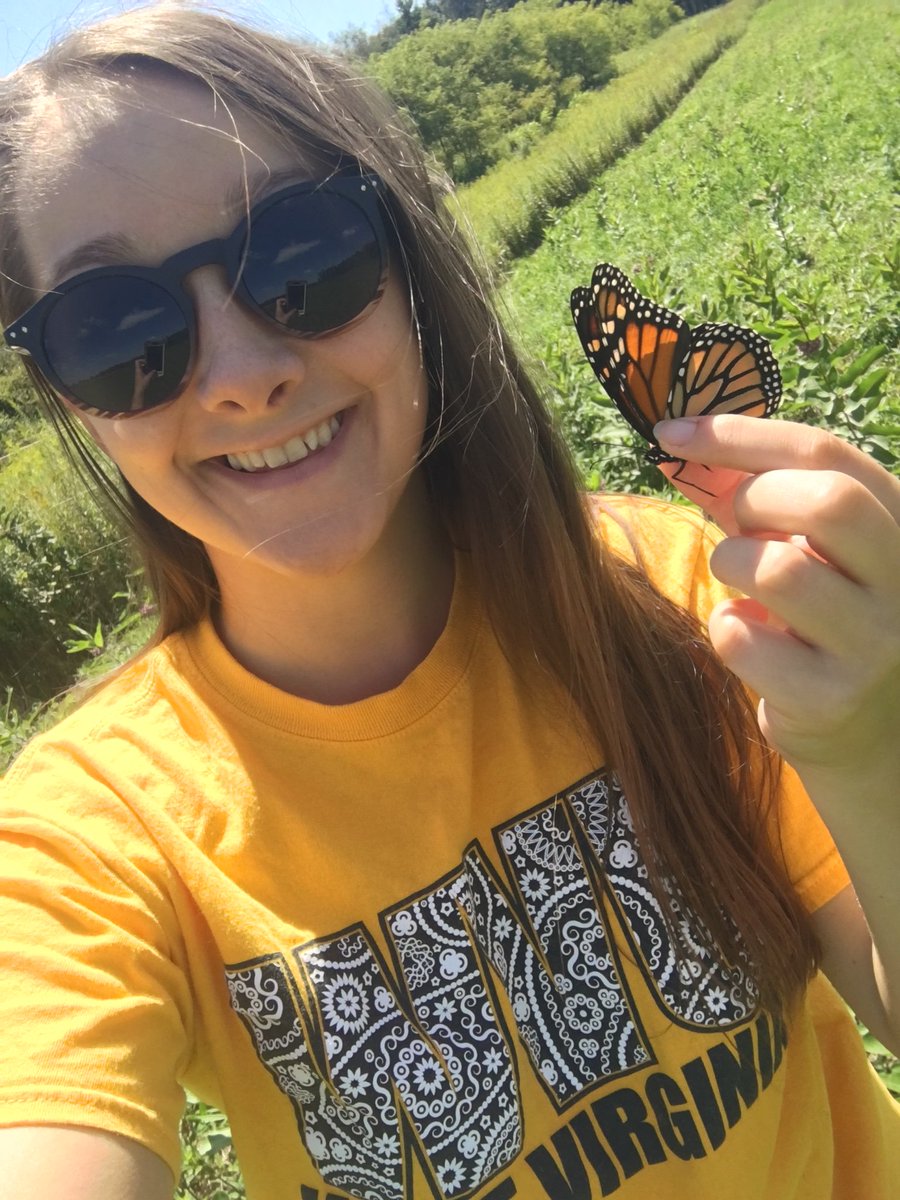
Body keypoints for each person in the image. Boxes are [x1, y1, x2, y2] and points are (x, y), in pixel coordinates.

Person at [0, 6, 897, 1199]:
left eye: (303, 258)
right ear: (69, 398)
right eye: (116, 332)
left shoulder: (683, 593)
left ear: (408, 259)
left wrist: (866, 740)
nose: (241, 373)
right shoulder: (87, 836)